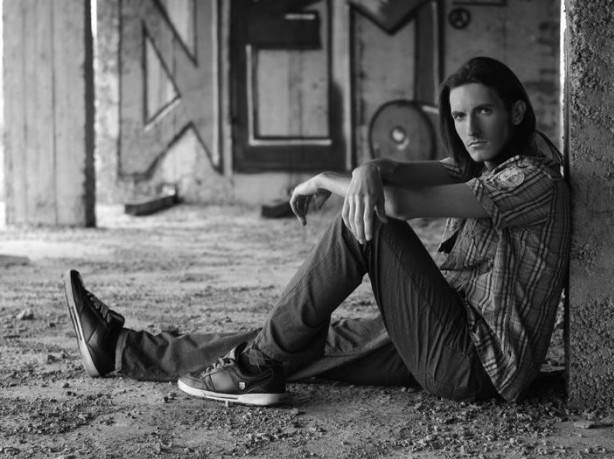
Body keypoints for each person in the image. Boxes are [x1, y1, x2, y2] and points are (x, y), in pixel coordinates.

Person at [63, 57, 570, 407]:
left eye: (484, 111)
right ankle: (120, 348)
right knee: (300, 340)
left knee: (371, 224)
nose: (470, 129)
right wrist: (368, 168)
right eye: (459, 116)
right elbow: (396, 170)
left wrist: (332, 180)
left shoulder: (532, 180)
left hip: (474, 364)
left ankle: (253, 366)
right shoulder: (482, 164)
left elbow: (393, 203)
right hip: (442, 332)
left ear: (516, 112)